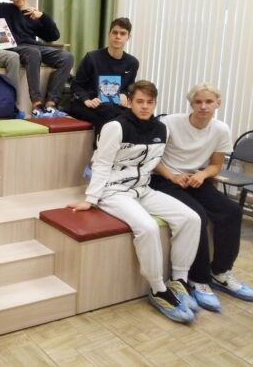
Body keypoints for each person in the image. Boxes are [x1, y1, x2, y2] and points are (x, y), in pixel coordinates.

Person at [68, 80, 201, 324]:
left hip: (142, 190)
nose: (145, 106)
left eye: (150, 102)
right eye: (139, 101)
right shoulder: (115, 127)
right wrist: (91, 199)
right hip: (113, 191)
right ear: (129, 102)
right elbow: (102, 164)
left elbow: (152, 164)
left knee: (191, 218)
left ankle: (179, 280)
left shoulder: (161, 129)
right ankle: (158, 289)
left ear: (155, 103)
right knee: (148, 227)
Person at [150, 83, 253, 311]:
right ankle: (199, 279)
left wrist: (202, 174)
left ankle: (221, 272)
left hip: (196, 179)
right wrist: (173, 176)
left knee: (232, 211)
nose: (203, 106)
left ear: (218, 103)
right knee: (197, 216)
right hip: (165, 179)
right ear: (191, 104)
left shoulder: (221, 129)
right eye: (198, 102)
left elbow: (216, 165)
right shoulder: (170, 123)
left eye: (209, 102)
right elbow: (153, 158)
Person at [0, 0, 74, 117]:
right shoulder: (5, 9)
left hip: (34, 46)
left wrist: (43, 16)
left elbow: (54, 36)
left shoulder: (33, 14)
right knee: (33, 52)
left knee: (67, 57)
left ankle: (51, 104)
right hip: (15, 47)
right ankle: (36, 104)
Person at [68, 17, 139, 138]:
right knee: (109, 114)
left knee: (134, 115)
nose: (118, 36)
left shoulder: (132, 63)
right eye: (115, 32)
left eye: (122, 33)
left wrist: (125, 95)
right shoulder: (92, 58)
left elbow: (129, 88)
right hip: (88, 104)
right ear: (109, 34)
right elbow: (76, 85)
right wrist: (87, 100)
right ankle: (101, 146)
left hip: (113, 106)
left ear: (128, 37)